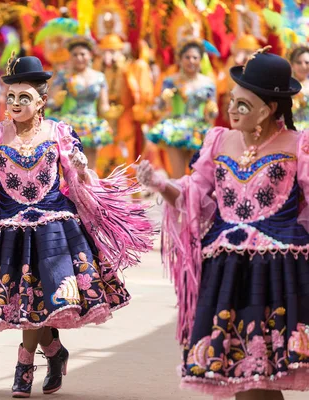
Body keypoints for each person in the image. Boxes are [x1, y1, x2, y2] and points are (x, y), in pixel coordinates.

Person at [0, 55, 154, 398]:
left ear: (42, 100)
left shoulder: (60, 132)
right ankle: (54, 352)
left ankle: (24, 364)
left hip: (55, 225)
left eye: (24, 98)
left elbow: (75, 179)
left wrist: (83, 170)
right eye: (10, 97)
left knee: (39, 301)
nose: (15, 104)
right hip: (10, 227)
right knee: (30, 302)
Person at [136, 50, 309, 399]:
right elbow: (194, 197)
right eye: (231, 101)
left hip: (276, 273)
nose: (232, 110)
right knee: (240, 375)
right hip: (228, 271)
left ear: (270, 108)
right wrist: (160, 184)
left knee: (260, 376)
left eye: (243, 105)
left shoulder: (298, 145)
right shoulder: (218, 141)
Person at [146, 38, 217, 178]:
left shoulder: (208, 83)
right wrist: (164, 99)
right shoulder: (170, 81)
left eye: (195, 57)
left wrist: (212, 109)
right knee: (178, 176)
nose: (191, 61)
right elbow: (160, 107)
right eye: (187, 57)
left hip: (198, 130)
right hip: (175, 130)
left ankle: (195, 200)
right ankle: (179, 199)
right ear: (180, 59)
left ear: (201, 60)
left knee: (198, 175)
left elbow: (213, 113)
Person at [47, 36, 112, 171]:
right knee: (69, 167)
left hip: (91, 125)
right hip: (69, 126)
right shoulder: (64, 76)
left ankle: (89, 191)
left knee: (89, 167)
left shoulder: (99, 77)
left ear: (90, 55)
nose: (79, 58)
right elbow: (51, 102)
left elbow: (104, 106)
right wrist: (56, 101)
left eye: (82, 54)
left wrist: (112, 112)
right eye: (75, 55)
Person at [289, 46, 309, 130]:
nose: (303, 66)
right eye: (299, 62)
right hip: (291, 132)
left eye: (307, 62)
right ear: (292, 64)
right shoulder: (284, 86)